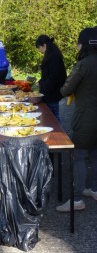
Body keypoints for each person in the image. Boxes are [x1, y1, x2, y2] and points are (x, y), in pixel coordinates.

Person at [56, 27, 97, 212]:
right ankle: (93, 189)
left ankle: (78, 198)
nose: (77, 45)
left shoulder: (83, 64)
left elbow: (65, 90)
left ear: (86, 44)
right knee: (95, 155)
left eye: (79, 42)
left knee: (79, 155)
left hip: (86, 118)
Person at [35, 34, 67, 122]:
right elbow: (48, 74)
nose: (40, 50)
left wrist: (42, 84)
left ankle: (59, 133)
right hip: (50, 90)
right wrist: (40, 82)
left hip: (52, 92)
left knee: (53, 115)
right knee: (51, 114)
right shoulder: (52, 53)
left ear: (44, 45)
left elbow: (54, 76)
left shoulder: (53, 56)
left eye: (39, 48)